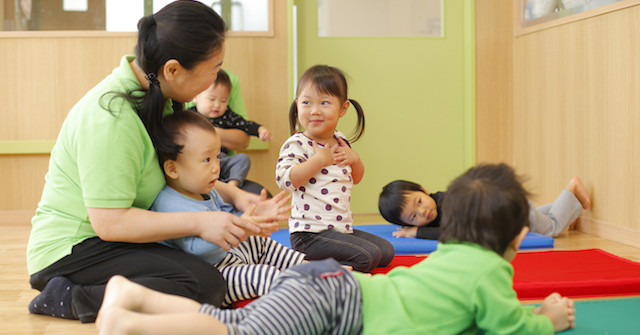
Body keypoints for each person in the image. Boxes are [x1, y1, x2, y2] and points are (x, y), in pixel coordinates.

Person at [95, 163, 577, 335]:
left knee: (234, 322)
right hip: (335, 304)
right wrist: (547, 318)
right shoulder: (490, 273)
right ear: (517, 237)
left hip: (330, 287)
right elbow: (509, 325)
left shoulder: (452, 255)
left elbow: (475, 310)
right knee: (239, 333)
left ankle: (133, 297)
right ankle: (129, 323)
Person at [26, 1, 268, 323]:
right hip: (74, 248)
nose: (215, 77)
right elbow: (110, 223)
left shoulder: (159, 95)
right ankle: (69, 297)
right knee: (203, 283)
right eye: (213, 68)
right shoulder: (111, 118)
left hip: (112, 235)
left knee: (211, 271)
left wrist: (235, 194)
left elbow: (176, 170)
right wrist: (200, 222)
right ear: (172, 70)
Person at [151, 110, 305, 306]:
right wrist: (240, 229)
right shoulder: (170, 203)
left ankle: (305, 266)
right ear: (173, 169)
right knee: (264, 274)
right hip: (214, 272)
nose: (216, 167)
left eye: (217, 157)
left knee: (261, 243)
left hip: (229, 256)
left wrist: (252, 217)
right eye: (207, 160)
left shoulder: (205, 189)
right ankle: (302, 297)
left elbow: (227, 215)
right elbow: (193, 249)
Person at [275, 65, 394, 273]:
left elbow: (355, 179)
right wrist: (317, 161)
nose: (314, 110)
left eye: (325, 102)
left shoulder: (341, 140)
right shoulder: (298, 143)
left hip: (339, 230)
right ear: (297, 105)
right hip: (309, 235)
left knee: (386, 251)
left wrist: (355, 160)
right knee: (368, 257)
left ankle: (334, 260)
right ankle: (311, 267)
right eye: (306, 102)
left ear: (343, 108)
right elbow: (285, 180)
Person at [379, 176, 591, 239]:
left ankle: (571, 191)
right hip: (512, 211)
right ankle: (568, 209)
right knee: (541, 218)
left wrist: (418, 231)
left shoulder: (448, 202)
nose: (423, 212)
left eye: (419, 202)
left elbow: (452, 232)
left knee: (551, 228)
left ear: (424, 190)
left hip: (510, 210)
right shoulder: (439, 205)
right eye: (414, 217)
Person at [189, 69, 272, 190]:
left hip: (221, 160)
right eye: (211, 99)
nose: (217, 105)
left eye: (223, 101)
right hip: (198, 161)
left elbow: (245, 125)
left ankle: (232, 186)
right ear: (196, 97)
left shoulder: (228, 116)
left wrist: (260, 130)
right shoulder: (190, 116)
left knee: (243, 159)